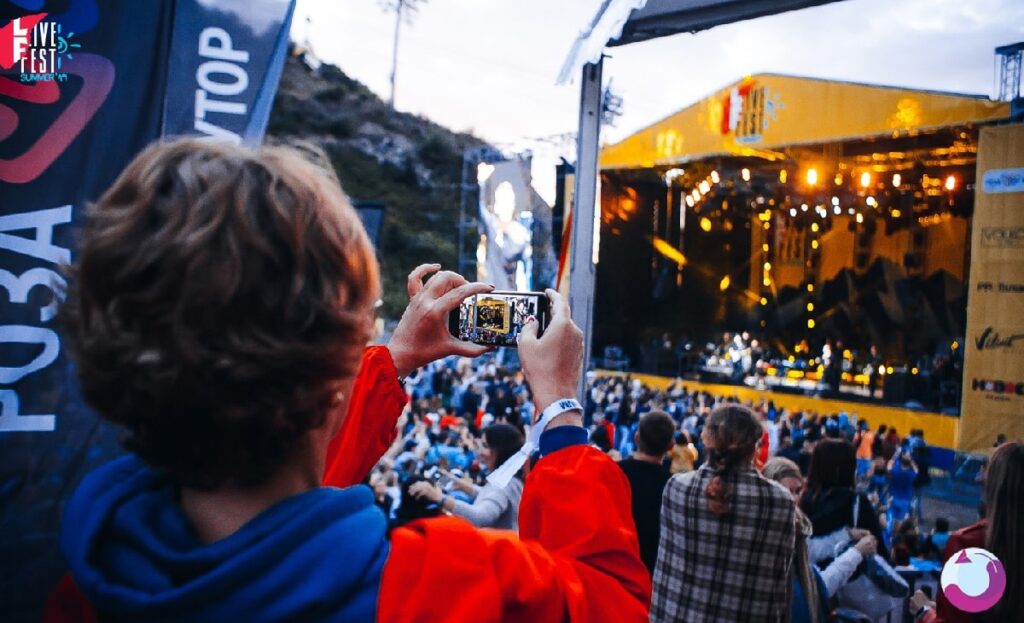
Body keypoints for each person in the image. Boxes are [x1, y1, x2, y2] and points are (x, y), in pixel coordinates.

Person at [43, 140, 650, 623]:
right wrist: (561, 416)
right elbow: (614, 602)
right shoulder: (445, 587)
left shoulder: (90, 584)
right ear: (334, 367)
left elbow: (283, 518)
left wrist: (392, 359)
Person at [651, 404, 796, 622]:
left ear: (706, 438)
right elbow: (780, 580)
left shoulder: (677, 488)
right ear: (756, 446)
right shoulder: (781, 501)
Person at [911, 441, 1023, 623]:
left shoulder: (968, 546)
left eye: (984, 472)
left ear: (993, 486)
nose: (978, 478)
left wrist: (924, 613)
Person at [762, 457, 878, 623]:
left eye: (797, 491)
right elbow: (819, 586)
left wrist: (848, 535)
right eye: (786, 491)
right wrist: (856, 553)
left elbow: (813, 551)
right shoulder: (772, 534)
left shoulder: (793, 528)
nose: (794, 498)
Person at [409, 423, 524, 530]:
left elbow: (481, 517)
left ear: (501, 450)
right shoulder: (506, 479)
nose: (480, 452)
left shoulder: (503, 483)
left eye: (485, 446)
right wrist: (465, 487)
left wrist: (439, 498)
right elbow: (493, 497)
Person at [800, 439, 890, 561]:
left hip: (811, 574)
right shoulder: (855, 501)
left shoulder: (805, 499)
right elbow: (880, 550)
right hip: (849, 575)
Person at [618, 410, 675, 575]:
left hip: (614, 567)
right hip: (650, 572)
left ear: (636, 438)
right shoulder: (673, 485)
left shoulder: (613, 472)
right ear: (671, 446)